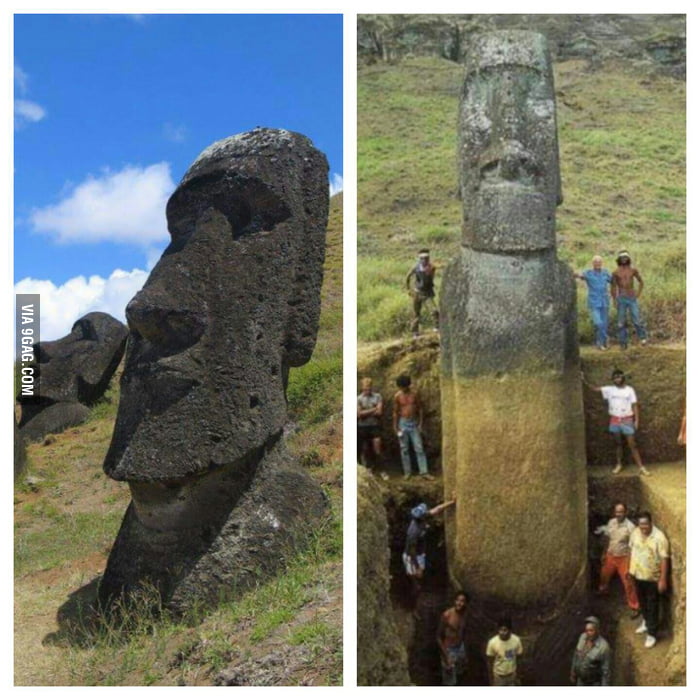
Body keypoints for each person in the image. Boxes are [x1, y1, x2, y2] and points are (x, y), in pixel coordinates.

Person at [581, 368, 650, 476]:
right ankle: (619, 464)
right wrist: (583, 380)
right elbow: (594, 389)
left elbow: (634, 405)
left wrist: (636, 420)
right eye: (615, 378)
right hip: (615, 419)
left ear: (623, 377)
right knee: (618, 444)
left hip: (627, 419)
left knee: (632, 444)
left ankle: (641, 467)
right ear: (612, 380)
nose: (617, 379)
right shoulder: (610, 390)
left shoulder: (629, 390)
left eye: (619, 377)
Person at [628, 511, 670, 649]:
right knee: (642, 602)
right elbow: (631, 550)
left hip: (652, 578)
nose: (643, 527)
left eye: (645, 524)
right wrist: (629, 570)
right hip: (638, 574)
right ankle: (646, 622)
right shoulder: (635, 533)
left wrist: (663, 580)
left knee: (652, 605)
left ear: (651, 523)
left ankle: (652, 634)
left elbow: (664, 559)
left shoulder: (659, 538)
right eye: (641, 524)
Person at [594, 502, 641, 617]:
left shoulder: (630, 527)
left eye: (621, 512)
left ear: (625, 512)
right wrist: (604, 553)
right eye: (617, 511)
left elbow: (634, 546)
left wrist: (631, 562)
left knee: (628, 581)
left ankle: (635, 605)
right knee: (604, 575)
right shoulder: (611, 522)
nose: (618, 514)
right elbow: (608, 538)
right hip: (611, 555)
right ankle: (603, 591)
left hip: (624, 557)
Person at [403, 499, 456, 598]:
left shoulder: (423, 517)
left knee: (419, 574)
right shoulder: (413, 532)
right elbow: (411, 550)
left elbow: (437, 509)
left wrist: (451, 502)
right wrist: (417, 567)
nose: (427, 514)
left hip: (420, 551)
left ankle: (418, 585)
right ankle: (415, 587)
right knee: (413, 574)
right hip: (411, 555)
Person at [393, 374, 432, 479]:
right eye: (401, 387)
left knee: (419, 447)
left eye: (404, 387)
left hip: (413, 423)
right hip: (403, 423)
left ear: (408, 385)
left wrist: (420, 424)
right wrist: (395, 427)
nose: (402, 389)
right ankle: (407, 472)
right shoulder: (397, 396)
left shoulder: (415, 394)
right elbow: (396, 412)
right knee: (404, 449)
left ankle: (424, 472)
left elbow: (420, 409)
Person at [575, 255, 613, 350]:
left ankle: (601, 344)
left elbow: (614, 281)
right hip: (594, 302)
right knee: (598, 323)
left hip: (604, 301)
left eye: (599, 262)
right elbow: (579, 275)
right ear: (593, 264)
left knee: (604, 324)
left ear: (602, 263)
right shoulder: (589, 273)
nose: (598, 264)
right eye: (596, 262)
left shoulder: (605, 273)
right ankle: (605, 339)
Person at [612, 250, 648, 349]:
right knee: (621, 322)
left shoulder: (633, 270)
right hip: (621, 298)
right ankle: (623, 343)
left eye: (626, 258)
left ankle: (643, 338)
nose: (624, 259)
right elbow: (614, 287)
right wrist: (614, 300)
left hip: (632, 298)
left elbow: (641, 282)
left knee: (636, 319)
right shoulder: (615, 272)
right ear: (619, 259)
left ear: (628, 259)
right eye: (622, 258)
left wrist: (638, 294)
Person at [437, 590, 469, 685]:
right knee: (449, 681)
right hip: (449, 650)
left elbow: (464, 632)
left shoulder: (465, 614)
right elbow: (438, 636)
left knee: (460, 674)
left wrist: (464, 649)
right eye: (457, 600)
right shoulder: (447, 615)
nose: (459, 603)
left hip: (460, 648)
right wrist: (446, 656)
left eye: (462, 601)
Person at [406, 249, 439, 338]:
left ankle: (437, 327)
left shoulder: (431, 268)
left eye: (426, 258)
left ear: (428, 259)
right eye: (422, 258)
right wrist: (408, 289)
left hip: (427, 293)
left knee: (434, 311)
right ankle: (414, 332)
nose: (424, 260)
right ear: (419, 259)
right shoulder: (416, 267)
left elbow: (429, 279)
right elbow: (408, 276)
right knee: (415, 313)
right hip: (417, 293)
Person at [570, 616, 611, 686]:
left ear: (597, 630)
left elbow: (606, 672)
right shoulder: (582, 637)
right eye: (586, 630)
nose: (588, 633)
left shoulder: (604, 647)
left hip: (593, 683)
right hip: (580, 681)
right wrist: (573, 672)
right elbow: (576, 655)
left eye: (591, 630)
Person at [486, 617, 523, 686]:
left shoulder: (516, 640)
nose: (503, 633)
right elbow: (489, 662)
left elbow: (519, 658)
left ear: (510, 630)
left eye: (505, 630)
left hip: (512, 675)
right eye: (500, 630)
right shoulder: (492, 642)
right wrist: (491, 679)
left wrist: (518, 676)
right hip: (498, 676)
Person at [357, 377, 384, 470]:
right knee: (365, 448)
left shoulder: (377, 396)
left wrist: (366, 412)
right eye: (365, 389)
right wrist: (374, 409)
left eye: (368, 389)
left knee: (377, 447)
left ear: (371, 388)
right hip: (363, 427)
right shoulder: (359, 399)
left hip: (374, 425)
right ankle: (366, 467)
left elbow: (379, 412)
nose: (367, 391)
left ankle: (379, 467)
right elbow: (359, 414)